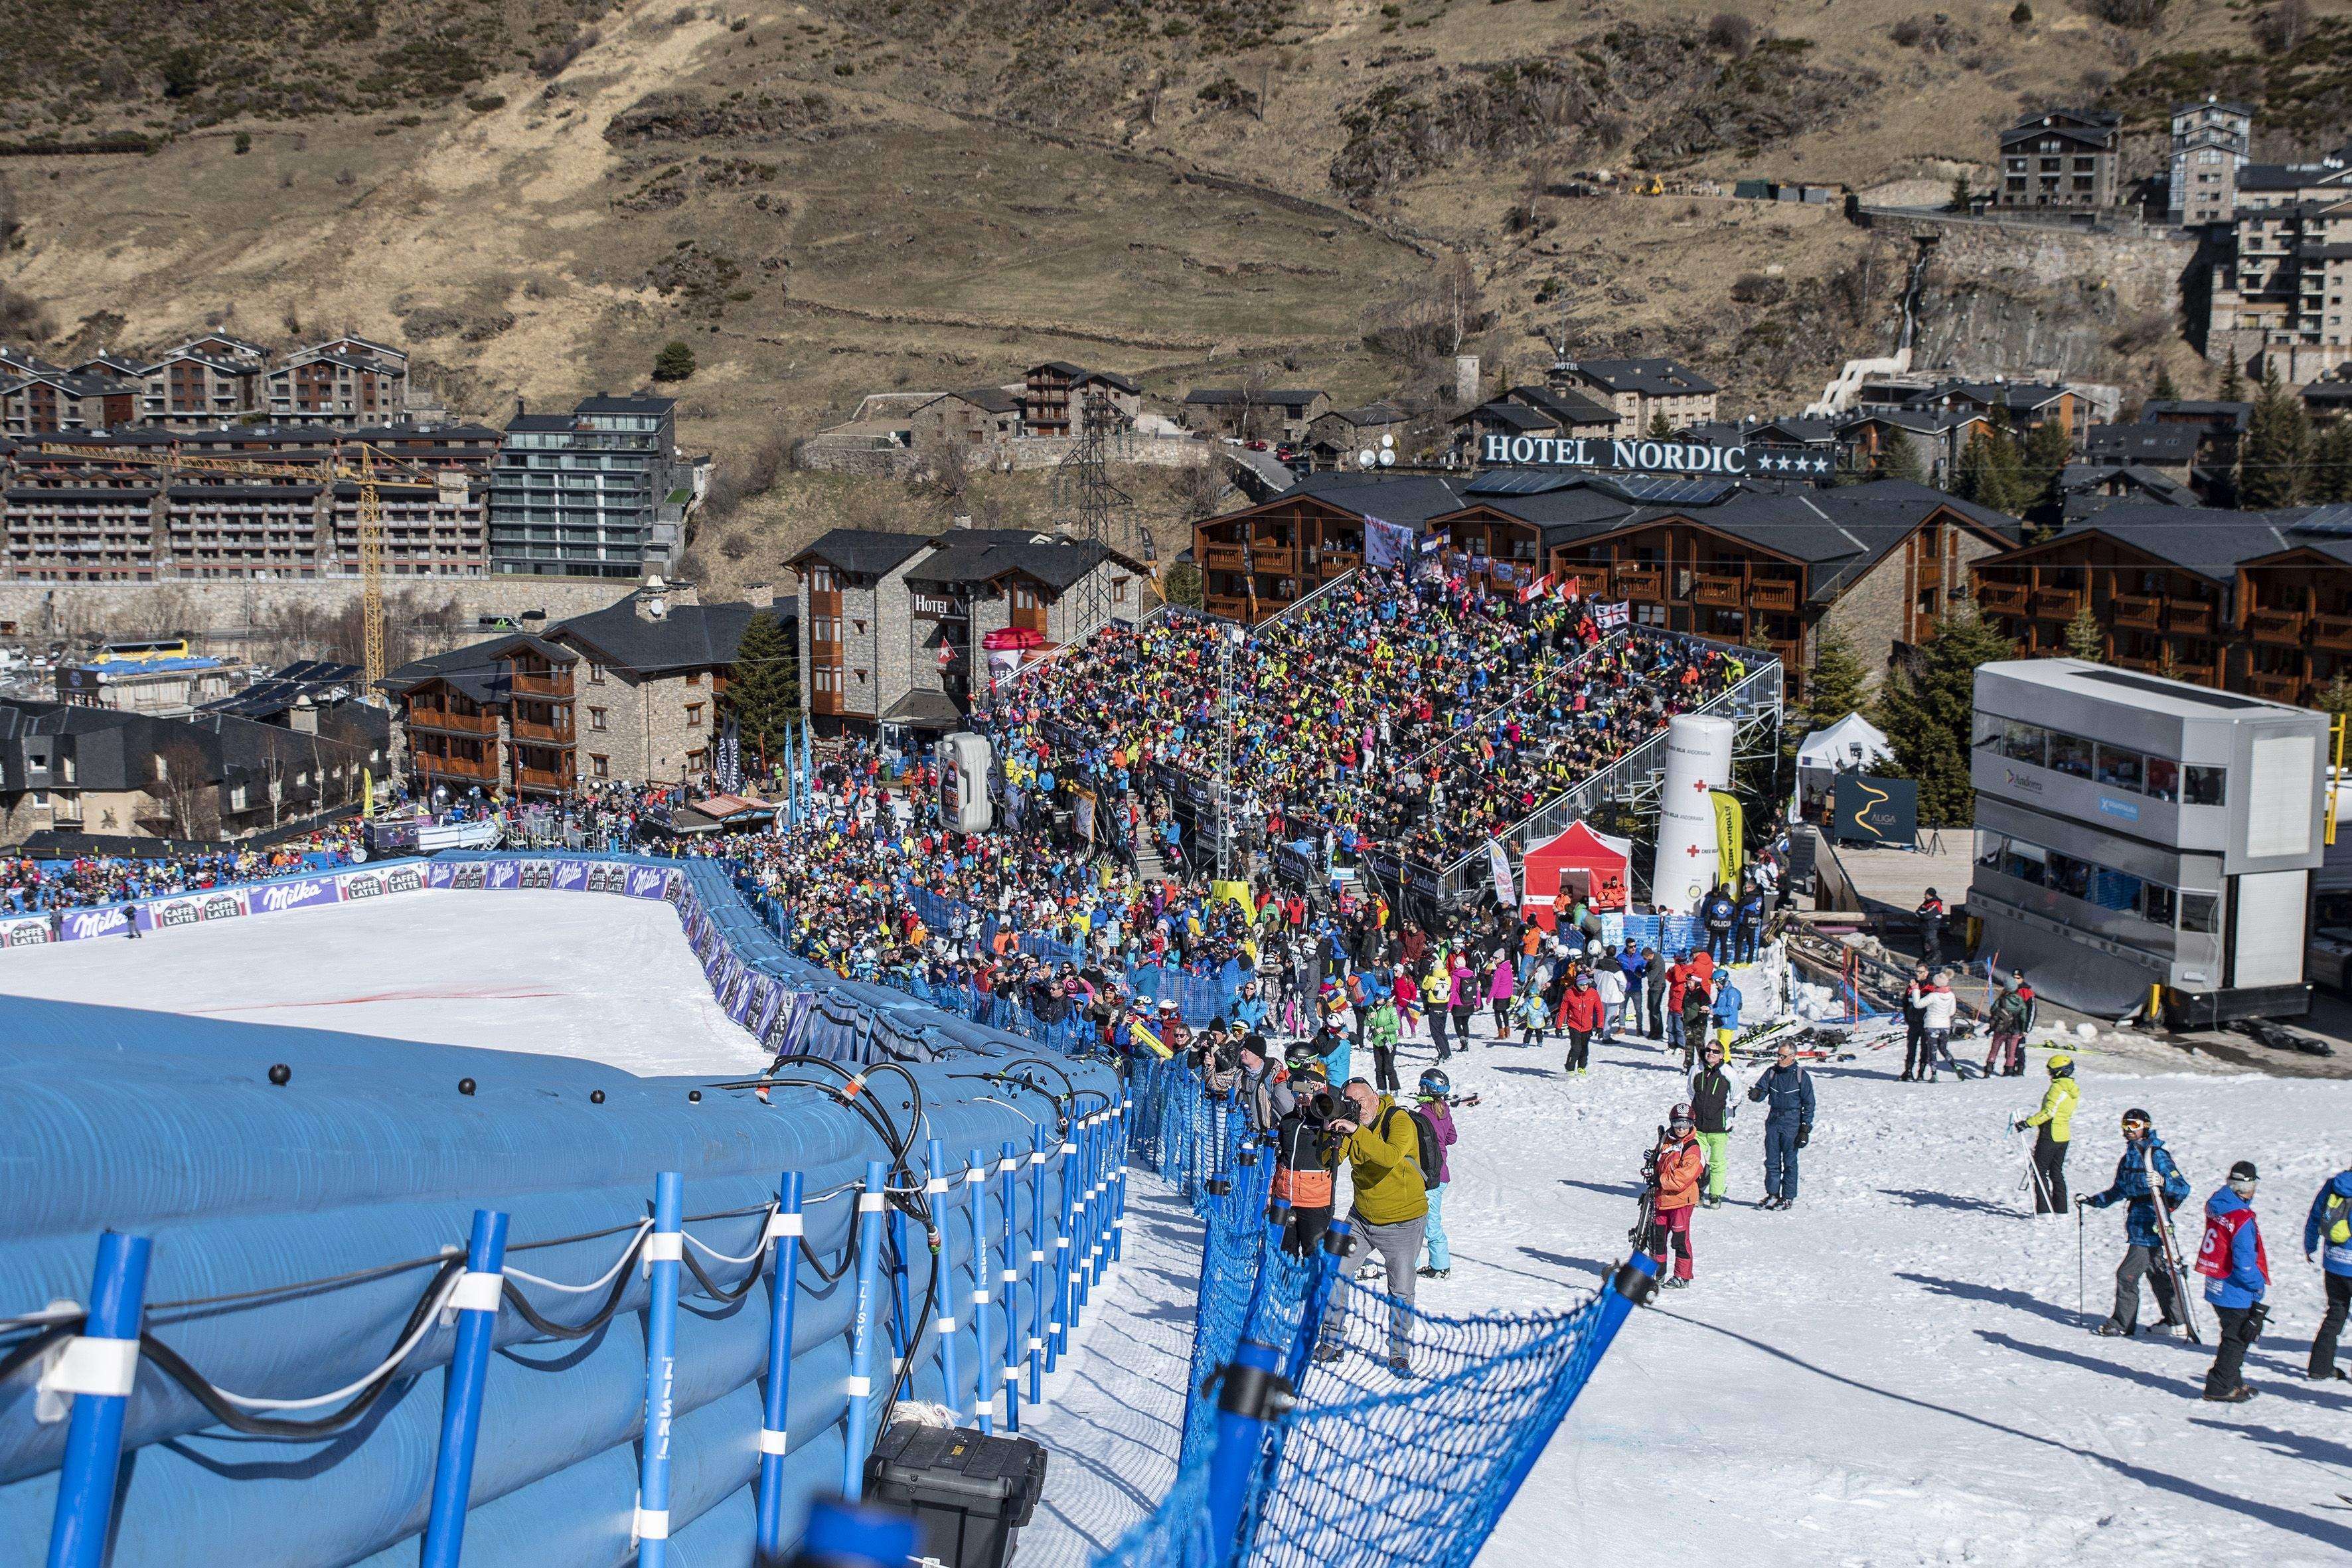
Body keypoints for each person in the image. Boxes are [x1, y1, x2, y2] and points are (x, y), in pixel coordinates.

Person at [1313, 1077, 1430, 1374]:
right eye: (1350, 1101)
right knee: (1335, 1273)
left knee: (1401, 1291)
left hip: (1403, 1222)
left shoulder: (1399, 1120)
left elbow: (1389, 1156)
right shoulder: (1352, 1125)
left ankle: (1399, 1353)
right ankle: (1332, 1340)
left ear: (1375, 1097)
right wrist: (1329, 1136)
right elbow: (1330, 1161)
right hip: (1362, 1218)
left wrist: (1356, 1130)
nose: (1357, 1107)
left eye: (1360, 1101)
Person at [2080, 1108, 2193, 1337]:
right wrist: (2093, 1201)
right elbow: (2119, 1190)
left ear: (2146, 1126)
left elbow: (2182, 1187)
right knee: (2157, 1272)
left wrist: (2163, 1183)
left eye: (2133, 1125)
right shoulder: (2129, 1157)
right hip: (2137, 1222)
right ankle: (2175, 1321)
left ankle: (2122, 1323)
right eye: (2125, 1125)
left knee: (2126, 1274)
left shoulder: (2157, 1155)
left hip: (2152, 1223)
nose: (2128, 1130)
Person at [2195, 1161, 2269, 1403]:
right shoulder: (2241, 1217)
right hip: (2234, 1289)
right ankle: (2219, 1386)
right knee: (2236, 1338)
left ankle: (2232, 1381)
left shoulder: (2219, 1205)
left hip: (2216, 1282)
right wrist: (2257, 1285)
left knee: (2233, 1334)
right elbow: (2245, 1263)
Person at [1271, 1072, 1338, 1256]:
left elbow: (1333, 1119)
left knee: (1313, 1252)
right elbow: (1280, 1159)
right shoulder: (1288, 1121)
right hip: (1285, 1198)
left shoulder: (1325, 1122)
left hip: (1314, 1201)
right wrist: (1272, 1194)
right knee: (1284, 1252)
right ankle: (1287, 1286)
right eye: (1296, 1093)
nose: (1301, 1098)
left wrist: (1320, 1098)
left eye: (1305, 1093)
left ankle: (1310, 1286)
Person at [1747, 1040, 1815, 1210]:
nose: (1779, 1059)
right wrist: (1756, 1095)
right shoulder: (1772, 1073)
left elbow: (1809, 1104)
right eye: (1778, 1055)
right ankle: (1772, 1194)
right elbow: (1761, 1091)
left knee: (1790, 1162)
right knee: (1772, 1161)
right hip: (1774, 1120)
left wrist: (1805, 1129)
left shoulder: (1801, 1076)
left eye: (1782, 1056)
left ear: (1792, 1057)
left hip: (1792, 1121)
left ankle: (1788, 1197)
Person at [2304, 1162, 2352, 1381]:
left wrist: (2310, 1245)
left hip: (2334, 1263)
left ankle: (2320, 1368)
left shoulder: (2334, 1184)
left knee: (2335, 1313)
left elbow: (2316, 1216)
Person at [1646, 1107, 1705, 1288]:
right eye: (1677, 1123)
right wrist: (1652, 1158)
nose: (1680, 1128)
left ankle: (1682, 1276)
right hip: (1662, 1199)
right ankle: (1657, 1272)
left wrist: (1660, 1180)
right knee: (1657, 1238)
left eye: (1685, 1124)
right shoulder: (1666, 1141)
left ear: (1691, 1125)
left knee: (1679, 1239)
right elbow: (1659, 1164)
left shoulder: (1692, 1148)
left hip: (1681, 1201)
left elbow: (1683, 1178)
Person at [2013, 1054, 2077, 1214]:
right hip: (2064, 1135)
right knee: (2056, 1172)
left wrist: (2027, 1123)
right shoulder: (2072, 1088)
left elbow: (2049, 1112)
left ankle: (2044, 1211)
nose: (2050, 1075)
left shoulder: (2058, 1088)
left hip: (2050, 1134)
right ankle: (2061, 1211)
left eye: (2052, 1072)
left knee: (2039, 1171)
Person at [1415, 1067, 1460, 1281]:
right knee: (1423, 1220)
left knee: (1426, 1223)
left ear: (1427, 1088)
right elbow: (1452, 1137)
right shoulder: (1444, 1110)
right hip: (1441, 1176)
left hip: (1430, 1177)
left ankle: (1440, 1267)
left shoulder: (1424, 1114)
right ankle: (1415, 1263)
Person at [1688, 1042, 1737, 1208]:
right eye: (1708, 1050)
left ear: (1722, 1055)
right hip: (1699, 1127)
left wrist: (1727, 1115)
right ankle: (1698, 1192)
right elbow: (1691, 1092)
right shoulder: (1696, 1070)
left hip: (1719, 1128)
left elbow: (1737, 1097)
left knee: (1717, 1162)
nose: (1711, 1054)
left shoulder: (1728, 1073)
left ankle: (1716, 1195)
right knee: (1697, 1161)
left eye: (1715, 1052)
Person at [1907, 967, 1957, 1083]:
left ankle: (1934, 1074)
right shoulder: (1951, 996)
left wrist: (1915, 990)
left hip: (1932, 1025)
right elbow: (1952, 1012)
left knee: (1932, 1051)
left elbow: (1918, 1004)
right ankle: (1956, 1067)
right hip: (1945, 1025)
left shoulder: (1933, 996)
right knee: (1944, 1049)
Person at [1986, 969, 2035, 1077]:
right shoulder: (2008, 992)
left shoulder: (2027, 993)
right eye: (2014, 978)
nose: (2016, 980)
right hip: (2010, 1028)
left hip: (2017, 1028)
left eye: (2018, 978)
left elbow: (2030, 1013)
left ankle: (2019, 1069)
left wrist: (2026, 1029)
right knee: (2009, 1051)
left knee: (2018, 1050)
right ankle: (2009, 1070)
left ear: (2022, 979)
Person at [1557, 971, 1603, 1075]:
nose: (1584, 987)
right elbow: (1563, 1010)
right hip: (1574, 1025)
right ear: (1577, 985)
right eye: (1582, 985)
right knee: (1576, 1047)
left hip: (1587, 1026)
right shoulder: (1569, 994)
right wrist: (1558, 1026)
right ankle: (1570, 1068)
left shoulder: (1593, 993)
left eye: (1586, 984)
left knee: (1584, 1048)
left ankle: (1581, 1067)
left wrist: (1600, 1027)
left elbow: (1599, 1010)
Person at [1366, 994, 1402, 1095]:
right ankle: (1381, 1088)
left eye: (1380, 998)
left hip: (1389, 1041)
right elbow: (1366, 1022)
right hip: (1377, 1042)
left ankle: (1394, 1088)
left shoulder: (1390, 1009)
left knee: (1388, 1067)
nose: (1377, 999)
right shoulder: (1372, 1008)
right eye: (1376, 997)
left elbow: (1397, 1025)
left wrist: (1384, 1029)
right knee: (1379, 1068)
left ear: (1385, 999)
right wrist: (1369, 1018)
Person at [1679, 971, 1713, 1074]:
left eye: (1691, 983)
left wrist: (1699, 1020)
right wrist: (1683, 1016)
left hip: (1699, 1024)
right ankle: (1688, 1065)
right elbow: (1684, 1006)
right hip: (1688, 1023)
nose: (1689, 985)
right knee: (1689, 1045)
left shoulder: (1703, 995)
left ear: (1697, 983)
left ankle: (1703, 1065)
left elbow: (1706, 1011)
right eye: (1688, 983)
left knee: (1699, 1045)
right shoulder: (1688, 993)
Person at [1595, 951, 1627, 1043]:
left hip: (1601, 994)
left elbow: (1596, 977)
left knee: (1603, 1015)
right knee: (1610, 1016)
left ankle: (1600, 1031)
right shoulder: (1616, 968)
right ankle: (1606, 1036)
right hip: (1613, 995)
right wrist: (1622, 990)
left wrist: (1600, 986)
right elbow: (1623, 982)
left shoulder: (1599, 965)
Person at [1701, 885, 1737, 965]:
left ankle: (1709, 963)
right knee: (1724, 945)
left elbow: (1708, 914)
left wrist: (1707, 925)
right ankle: (1722, 964)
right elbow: (1735, 916)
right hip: (1725, 927)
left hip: (1714, 926)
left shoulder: (1714, 901)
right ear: (1728, 890)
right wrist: (1729, 922)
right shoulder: (1731, 902)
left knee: (1712, 945)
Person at [1710, 973, 1743, 1053]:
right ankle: (1724, 1064)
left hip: (1728, 1025)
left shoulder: (1732, 992)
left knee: (1723, 1049)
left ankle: (1726, 1064)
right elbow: (1717, 1005)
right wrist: (1709, 1008)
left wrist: (1714, 1011)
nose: (1716, 985)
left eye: (1716, 983)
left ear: (1722, 981)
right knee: (1721, 1047)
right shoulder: (1722, 992)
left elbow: (1730, 1009)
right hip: (1721, 1023)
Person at [1641, 943, 1667, 1042]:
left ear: (1649, 956)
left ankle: (1658, 1032)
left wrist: (1645, 973)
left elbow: (1651, 976)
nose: (1645, 961)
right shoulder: (1653, 958)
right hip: (1653, 987)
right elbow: (1648, 968)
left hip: (1658, 988)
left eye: (1645, 958)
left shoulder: (1657, 962)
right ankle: (1653, 1031)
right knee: (1651, 1009)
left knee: (1655, 1010)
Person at [1735, 883, 1766, 965]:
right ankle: (1749, 962)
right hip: (1754, 922)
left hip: (1745, 922)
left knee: (1739, 941)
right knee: (1751, 943)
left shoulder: (1748, 898)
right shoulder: (1759, 897)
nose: (1745, 889)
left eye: (1746, 887)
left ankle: (1737, 962)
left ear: (1752, 888)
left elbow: (1739, 906)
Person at [1916, 888, 1946, 969]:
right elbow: (1919, 911)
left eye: (1926, 894)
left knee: (1932, 947)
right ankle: (1926, 963)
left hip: (1931, 929)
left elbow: (1926, 915)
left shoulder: (1936, 904)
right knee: (1925, 948)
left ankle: (1933, 965)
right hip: (1924, 929)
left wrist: (1921, 914)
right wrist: (1921, 913)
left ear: (1929, 894)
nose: (1924, 895)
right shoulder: (1927, 902)